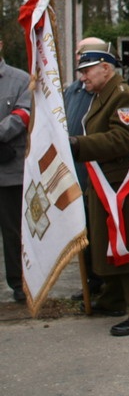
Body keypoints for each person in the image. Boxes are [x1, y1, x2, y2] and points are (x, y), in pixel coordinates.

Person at [68, 40, 129, 336]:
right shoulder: (103, 95)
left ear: (106, 69)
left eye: (87, 70)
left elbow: (121, 139)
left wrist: (77, 145)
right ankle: (114, 297)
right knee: (109, 241)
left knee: (128, 244)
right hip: (107, 181)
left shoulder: (123, 97)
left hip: (124, 185)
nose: (82, 76)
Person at [63, 36, 105, 298]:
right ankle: (90, 280)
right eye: (78, 54)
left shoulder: (104, 91)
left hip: (98, 170)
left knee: (100, 229)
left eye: (85, 54)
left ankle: (104, 282)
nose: (80, 59)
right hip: (76, 170)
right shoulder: (72, 91)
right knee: (82, 227)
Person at [0, 38, 31, 303]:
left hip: (9, 173)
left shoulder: (20, 80)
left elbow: (23, 115)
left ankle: (19, 283)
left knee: (13, 233)